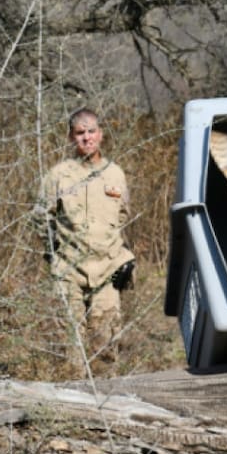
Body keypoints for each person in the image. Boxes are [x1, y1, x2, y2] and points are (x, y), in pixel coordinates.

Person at [37, 108, 135, 368]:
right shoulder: (58, 175)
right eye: (80, 133)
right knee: (71, 348)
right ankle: (74, 389)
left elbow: (123, 216)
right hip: (69, 269)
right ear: (71, 137)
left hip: (107, 270)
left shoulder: (115, 174)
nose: (86, 138)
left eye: (91, 131)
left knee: (106, 345)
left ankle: (107, 392)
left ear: (100, 134)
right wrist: (54, 253)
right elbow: (41, 218)